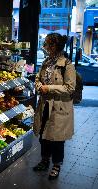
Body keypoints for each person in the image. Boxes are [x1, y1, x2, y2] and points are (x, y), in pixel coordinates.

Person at [33, 33, 76, 180]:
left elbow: (70, 88)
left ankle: (56, 165)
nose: (44, 47)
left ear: (54, 46)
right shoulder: (46, 62)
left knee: (57, 139)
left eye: (46, 44)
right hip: (44, 105)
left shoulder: (67, 65)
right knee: (43, 135)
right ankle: (44, 160)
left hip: (59, 107)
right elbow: (38, 78)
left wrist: (49, 88)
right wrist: (38, 84)